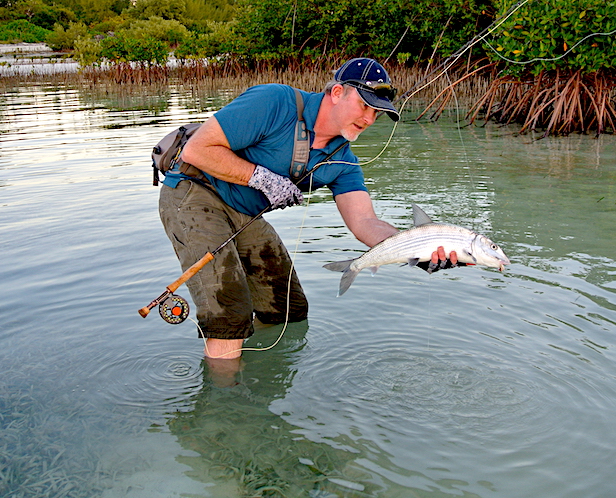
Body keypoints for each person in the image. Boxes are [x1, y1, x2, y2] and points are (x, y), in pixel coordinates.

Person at [159, 57, 458, 360]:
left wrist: (418, 251)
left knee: (289, 309)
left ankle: (259, 369)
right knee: (230, 316)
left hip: (245, 215)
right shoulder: (274, 101)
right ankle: (226, 385)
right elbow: (197, 150)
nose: (369, 119)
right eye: (364, 105)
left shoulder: (344, 162)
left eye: (377, 113)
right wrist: (262, 179)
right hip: (194, 194)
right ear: (337, 92)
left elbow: (365, 222)